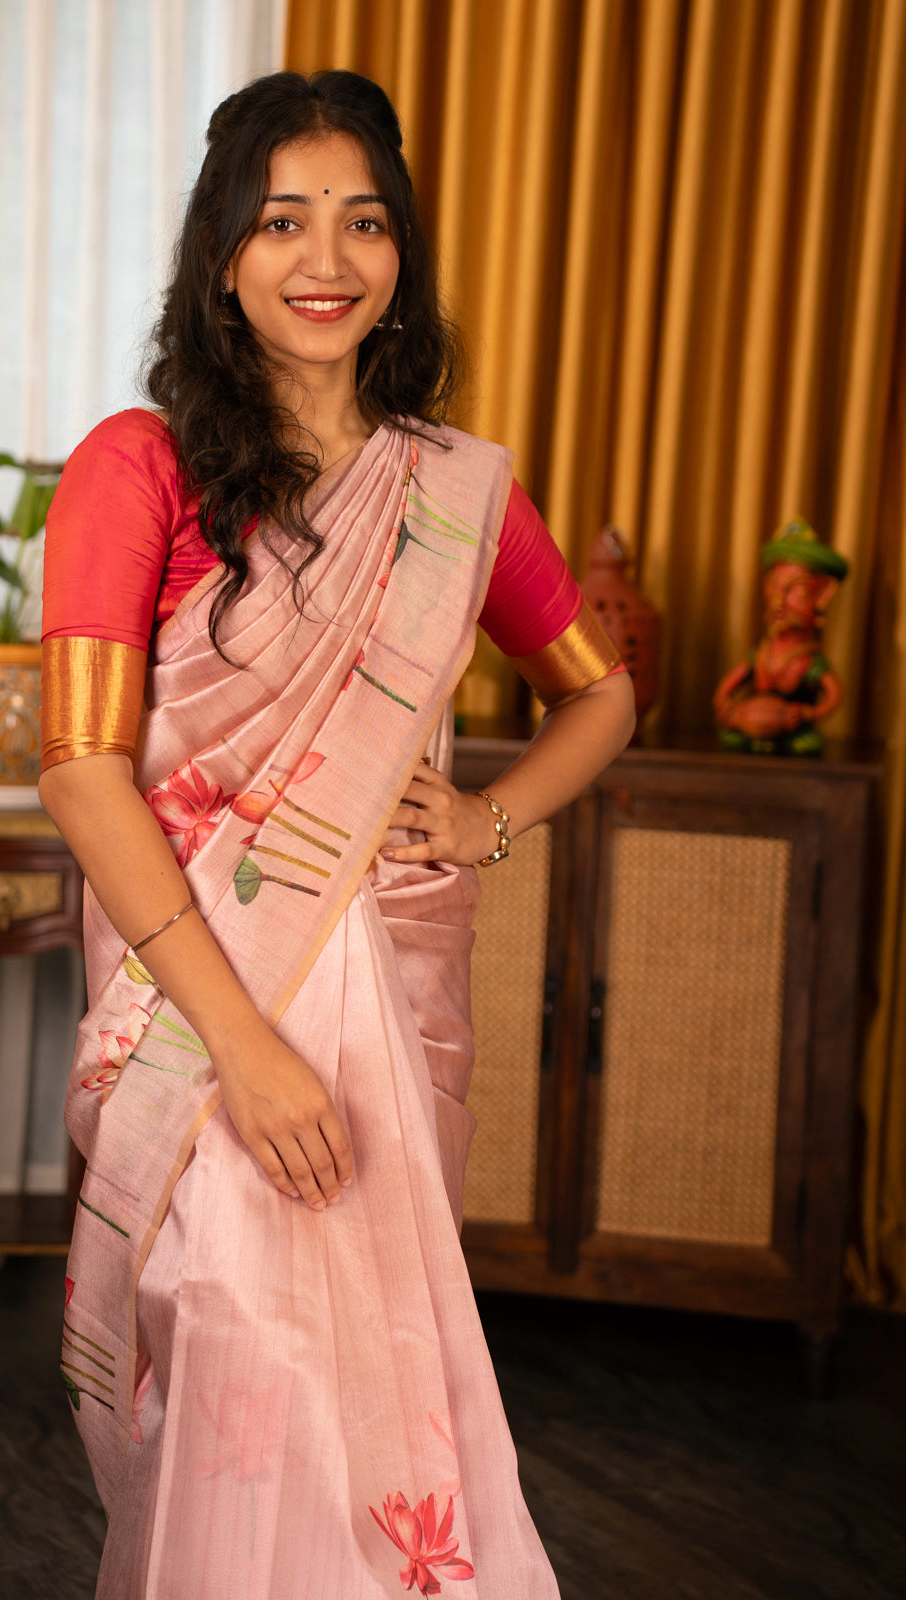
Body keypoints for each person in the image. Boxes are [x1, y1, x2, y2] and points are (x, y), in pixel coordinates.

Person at [39, 68, 634, 1600]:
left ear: (401, 254)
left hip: (392, 1000)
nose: (327, 258)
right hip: (207, 1017)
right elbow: (84, 776)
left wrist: (490, 816)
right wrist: (243, 1044)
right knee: (239, 1359)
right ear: (223, 252)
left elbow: (602, 697)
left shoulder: (452, 494)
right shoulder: (141, 464)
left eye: (363, 222)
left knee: (380, 1376)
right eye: (284, 219)